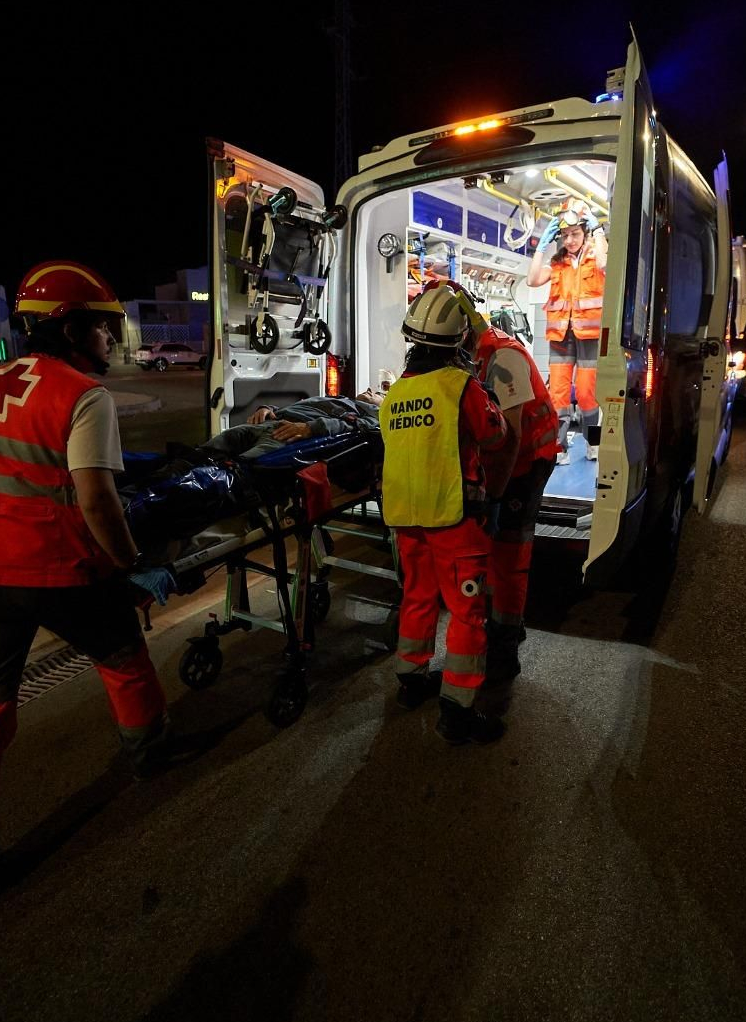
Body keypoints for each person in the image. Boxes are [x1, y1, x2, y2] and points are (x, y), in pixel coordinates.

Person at [0, 259, 177, 926]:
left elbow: (10, 466)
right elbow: (95, 497)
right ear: (69, 328)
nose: (108, 341)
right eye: (100, 328)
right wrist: (131, 563)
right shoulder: (82, 394)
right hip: (48, 566)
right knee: (121, 653)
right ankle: (152, 755)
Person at [380, 283, 516, 744]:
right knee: (466, 612)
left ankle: (410, 679)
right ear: (460, 341)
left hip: (405, 520)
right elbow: (495, 435)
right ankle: (457, 709)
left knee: (417, 598)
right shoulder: (462, 387)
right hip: (454, 521)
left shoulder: (395, 395)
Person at [457, 286, 561, 681]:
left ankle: (504, 649)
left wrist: (495, 495)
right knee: (495, 550)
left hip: (529, 460)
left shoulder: (503, 356)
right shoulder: (472, 354)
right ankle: (507, 626)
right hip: (505, 461)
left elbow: (512, 437)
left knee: (509, 555)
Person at [527, 199, 607, 465]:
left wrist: (599, 232)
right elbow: (532, 279)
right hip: (561, 335)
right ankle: (559, 446)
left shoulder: (597, 255)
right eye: (564, 235)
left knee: (586, 394)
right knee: (558, 393)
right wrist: (541, 244)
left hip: (589, 336)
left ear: (584, 231)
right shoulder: (558, 263)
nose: (570, 240)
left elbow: (607, 264)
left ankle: (593, 442)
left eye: (575, 233)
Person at [201, 391, 383, 460]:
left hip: (289, 434)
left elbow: (349, 427)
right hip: (272, 421)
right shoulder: (335, 398)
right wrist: (267, 408)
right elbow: (299, 407)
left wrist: (310, 428)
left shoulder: (371, 415)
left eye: (375, 393)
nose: (369, 390)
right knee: (218, 443)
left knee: (243, 464)